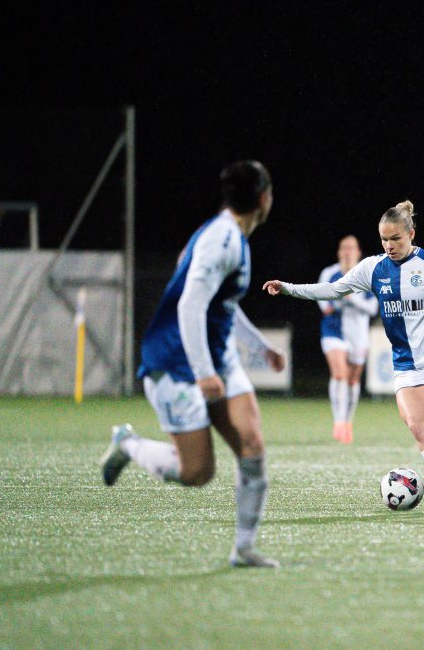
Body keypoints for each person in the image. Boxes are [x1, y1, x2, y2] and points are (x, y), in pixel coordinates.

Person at [263, 200, 424, 512]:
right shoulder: (373, 268)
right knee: (419, 428)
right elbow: (333, 290)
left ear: (411, 234)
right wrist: (288, 288)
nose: (389, 246)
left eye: (396, 238)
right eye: (384, 239)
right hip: (407, 364)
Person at [99, 160, 285, 568]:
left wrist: (259, 348)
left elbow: (223, 304)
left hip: (216, 358)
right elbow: (190, 306)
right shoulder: (222, 240)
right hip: (174, 363)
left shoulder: (230, 236)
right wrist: (203, 373)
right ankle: (127, 444)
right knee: (197, 471)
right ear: (263, 199)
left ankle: (244, 549)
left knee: (252, 446)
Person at [317, 235, 378, 444]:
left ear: (358, 252)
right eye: (344, 248)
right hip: (333, 331)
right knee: (339, 374)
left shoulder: (366, 275)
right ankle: (338, 422)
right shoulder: (329, 274)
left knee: (352, 380)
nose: (347, 252)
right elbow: (324, 306)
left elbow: (372, 309)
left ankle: (348, 421)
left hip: (358, 335)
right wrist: (339, 300)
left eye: (351, 248)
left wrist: (351, 299)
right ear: (338, 252)